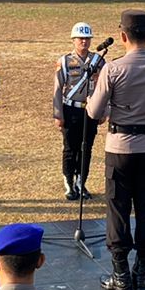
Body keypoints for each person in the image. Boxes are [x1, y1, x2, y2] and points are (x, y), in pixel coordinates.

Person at [85, 9, 145, 290]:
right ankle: (141, 273)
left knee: (118, 210)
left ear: (123, 36)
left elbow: (94, 112)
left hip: (120, 147)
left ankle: (121, 275)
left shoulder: (112, 69)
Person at [52, 23, 102, 202]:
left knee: (86, 148)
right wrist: (58, 113)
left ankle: (81, 182)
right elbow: (58, 88)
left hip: (90, 111)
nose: (84, 42)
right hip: (70, 108)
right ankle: (69, 182)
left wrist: (104, 110)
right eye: (80, 38)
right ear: (73, 40)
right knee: (70, 148)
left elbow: (106, 89)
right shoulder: (65, 61)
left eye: (87, 39)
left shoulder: (98, 61)